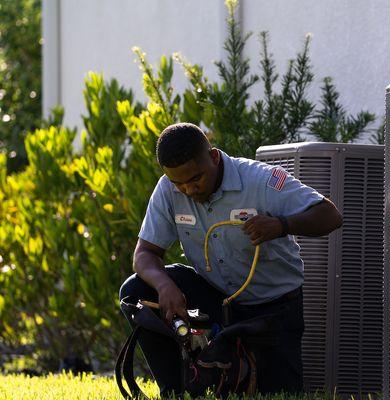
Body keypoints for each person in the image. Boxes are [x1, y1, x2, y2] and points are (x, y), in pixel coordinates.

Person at [119, 122, 343, 397]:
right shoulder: (168, 188)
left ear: (214, 157)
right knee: (136, 290)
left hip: (273, 308)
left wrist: (280, 225)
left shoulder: (261, 180)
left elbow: (330, 215)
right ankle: (175, 390)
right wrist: (165, 287)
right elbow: (144, 254)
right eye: (180, 183)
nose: (188, 190)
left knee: (279, 393)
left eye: (196, 179)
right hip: (217, 298)